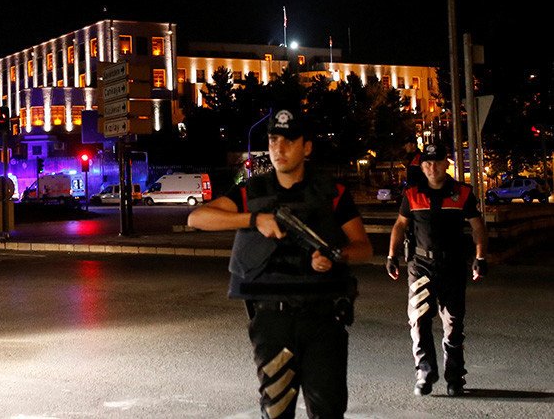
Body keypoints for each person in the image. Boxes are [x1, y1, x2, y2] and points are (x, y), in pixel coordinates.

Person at [188, 106, 373, 418]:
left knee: (328, 411)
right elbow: (197, 217)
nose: (279, 148)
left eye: (289, 140)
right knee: (276, 412)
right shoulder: (251, 191)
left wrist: (337, 256)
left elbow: (364, 247)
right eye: (273, 140)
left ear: (307, 147)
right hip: (272, 321)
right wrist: (254, 219)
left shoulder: (332, 193)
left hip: (323, 320)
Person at [385, 143, 488, 397]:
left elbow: (477, 226)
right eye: (427, 163)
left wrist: (480, 257)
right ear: (422, 167)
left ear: (446, 164)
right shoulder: (412, 194)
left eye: (437, 162)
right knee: (419, 319)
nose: (432, 168)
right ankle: (425, 372)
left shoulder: (462, 193)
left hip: (452, 265)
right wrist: (391, 256)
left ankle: (455, 377)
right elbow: (400, 225)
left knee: (453, 323)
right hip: (420, 266)